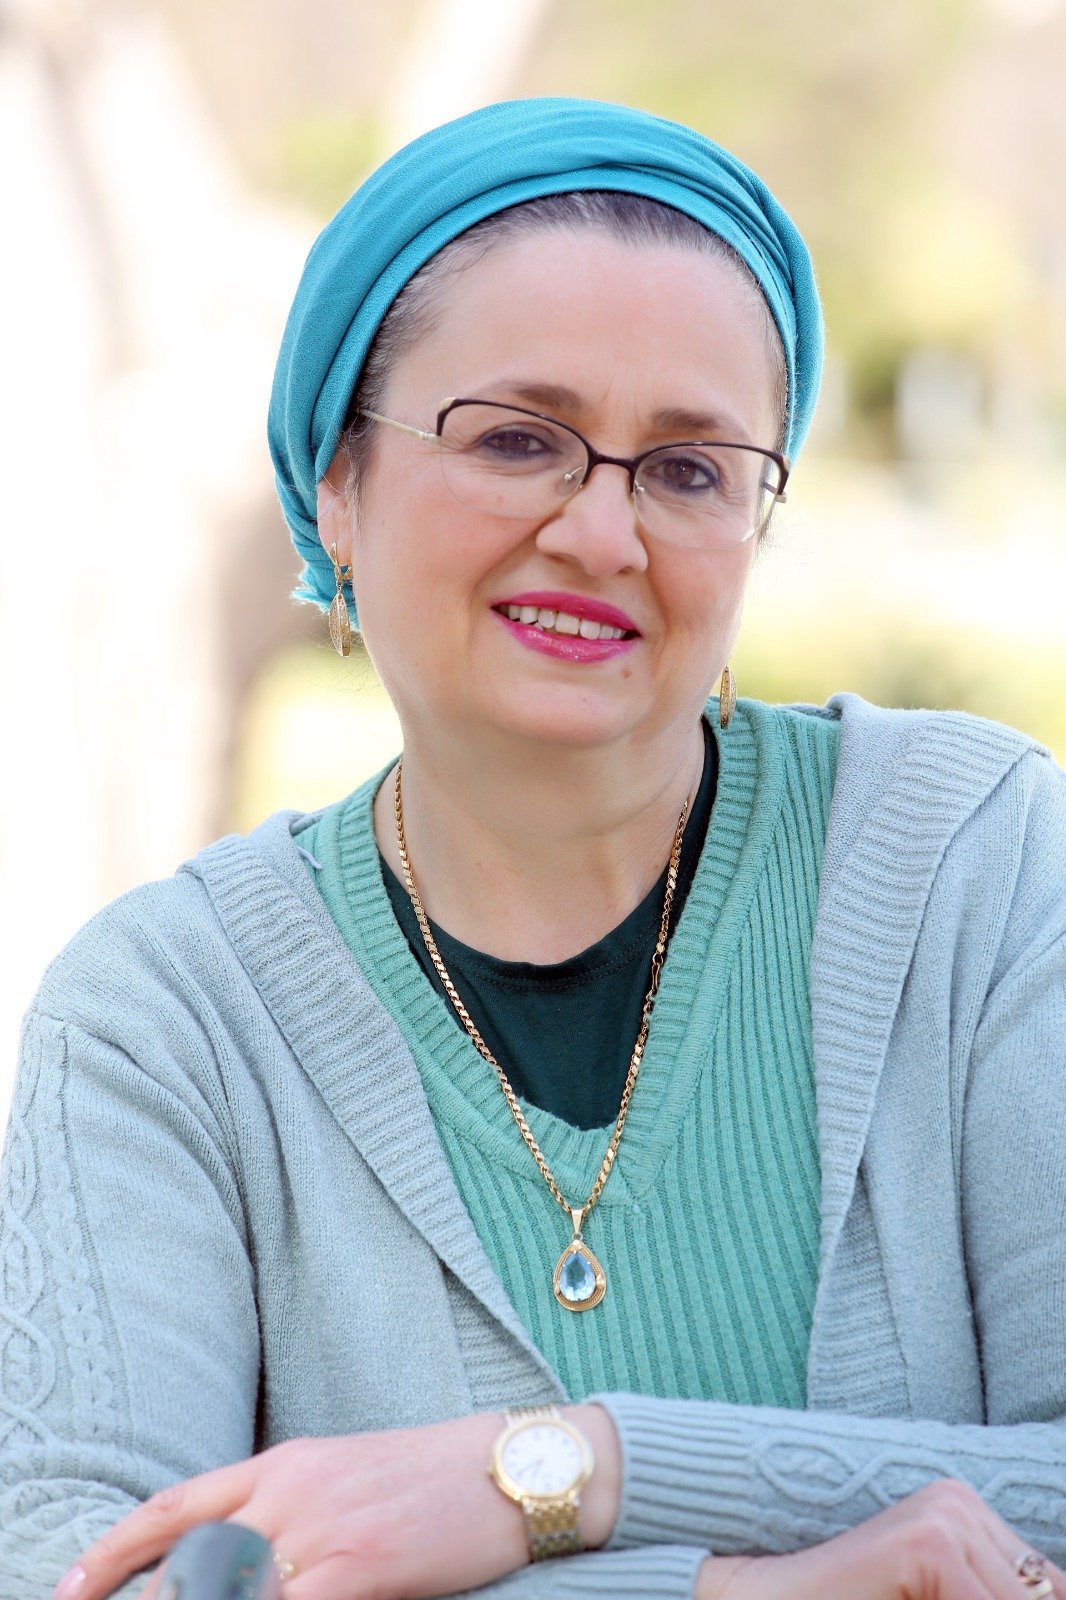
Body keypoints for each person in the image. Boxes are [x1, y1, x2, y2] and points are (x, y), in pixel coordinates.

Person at [1, 96, 1063, 1600]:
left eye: (689, 468)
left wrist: (572, 1476)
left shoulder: (970, 860)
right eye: (516, 439)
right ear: (334, 485)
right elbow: (81, 1574)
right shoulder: (166, 1020)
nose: (602, 535)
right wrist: (730, 1589)